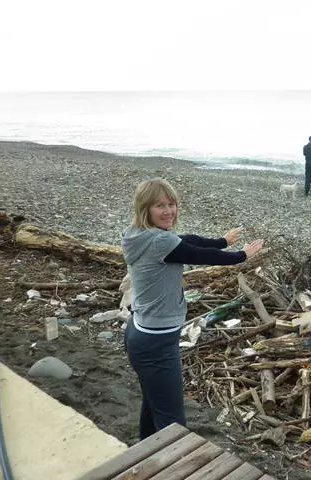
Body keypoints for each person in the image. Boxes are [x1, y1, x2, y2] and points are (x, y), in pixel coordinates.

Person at [122, 178, 264, 440]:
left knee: (154, 405)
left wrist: (222, 240)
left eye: (172, 204)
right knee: (173, 423)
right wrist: (241, 255)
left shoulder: (137, 234)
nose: (168, 211)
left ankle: (144, 456)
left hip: (139, 333)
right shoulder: (159, 243)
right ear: (145, 209)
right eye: (159, 205)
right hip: (156, 342)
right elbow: (199, 255)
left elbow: (187, 241)